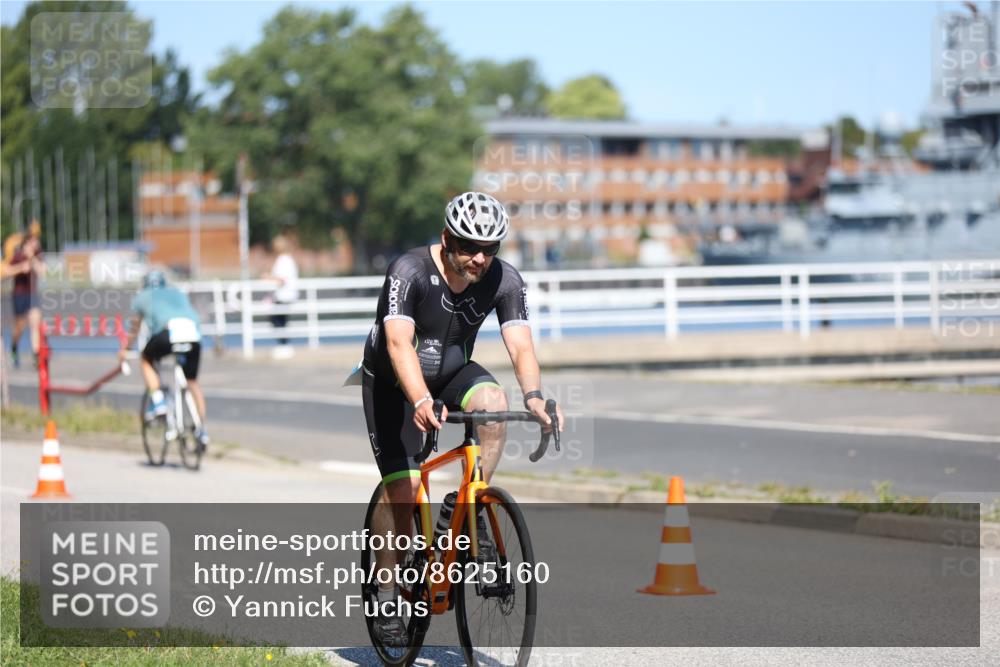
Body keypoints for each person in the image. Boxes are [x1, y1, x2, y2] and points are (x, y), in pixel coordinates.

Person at [359, 191, 564, 646]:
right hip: (393, 382)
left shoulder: (504, 280)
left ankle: (469, 503)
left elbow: (521, 346)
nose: (479, 258)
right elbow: (398, 344)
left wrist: (534, 397)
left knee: (493, 401)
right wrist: (419, 399)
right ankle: (387, 593)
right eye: (469, 247)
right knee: (404, 490)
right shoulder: (409, 271)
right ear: (447, 238)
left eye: (490, 249)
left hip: (452, 373)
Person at [118, 270, 210, 449]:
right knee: (192, 382)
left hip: (167, 333)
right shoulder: (176, 292)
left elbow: (135, 328)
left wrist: (125, 349)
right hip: (193, 334)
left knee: (146, 358)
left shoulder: (142, 296)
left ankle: (159, 401)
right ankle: (202, 430)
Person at [7, 222, 45, 368]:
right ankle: (14, 347)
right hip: (19, 295)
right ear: (27, 242)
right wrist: (20, 268)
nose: (36, 243)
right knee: (20, 327)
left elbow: (42, 271)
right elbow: (6, 271)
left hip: (32, 294)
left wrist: (32, 258)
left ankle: (36, 355)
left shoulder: (37, 255)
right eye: (34, 240)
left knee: (35, 323)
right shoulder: (17, 255)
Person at [262, 234, 298, 359]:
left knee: (278, 320)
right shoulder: (287, 259)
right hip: (284, 295)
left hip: (284, 295)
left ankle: (284, 345)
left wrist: (268, 277)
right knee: (280, 320)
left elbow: (282, 279)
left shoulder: (283, 260)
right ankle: (283, 345)